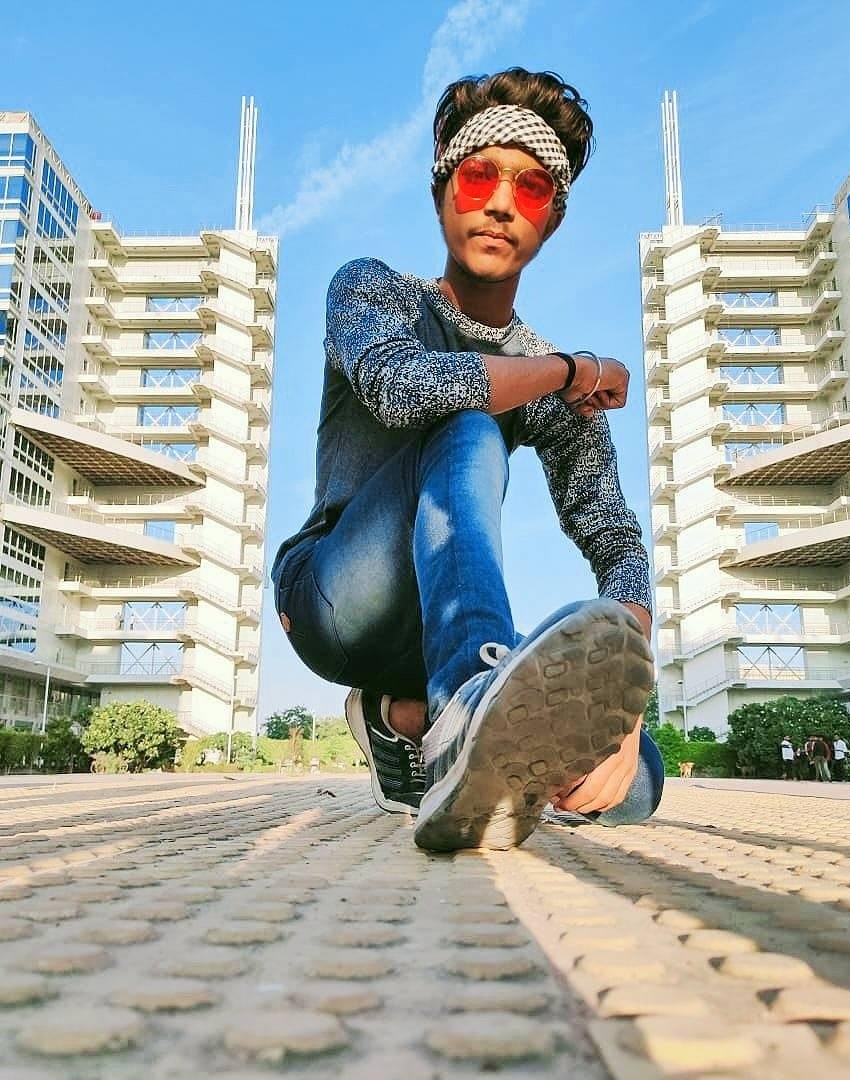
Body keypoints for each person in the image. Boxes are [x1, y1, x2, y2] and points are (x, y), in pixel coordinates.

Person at [271, 68, 662, 853]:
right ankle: (463, 704)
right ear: (443, 191)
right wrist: (567, 370)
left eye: (532, 189)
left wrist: (623, 707)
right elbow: (403, 387)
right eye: (480, 176)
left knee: (638, 777)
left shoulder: (556, 382)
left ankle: (407, 719)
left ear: (552, 220)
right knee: (470, 428)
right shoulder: (373, 290)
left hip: (447, 622)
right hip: (335, 598)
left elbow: (617, 541)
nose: (500, 204)